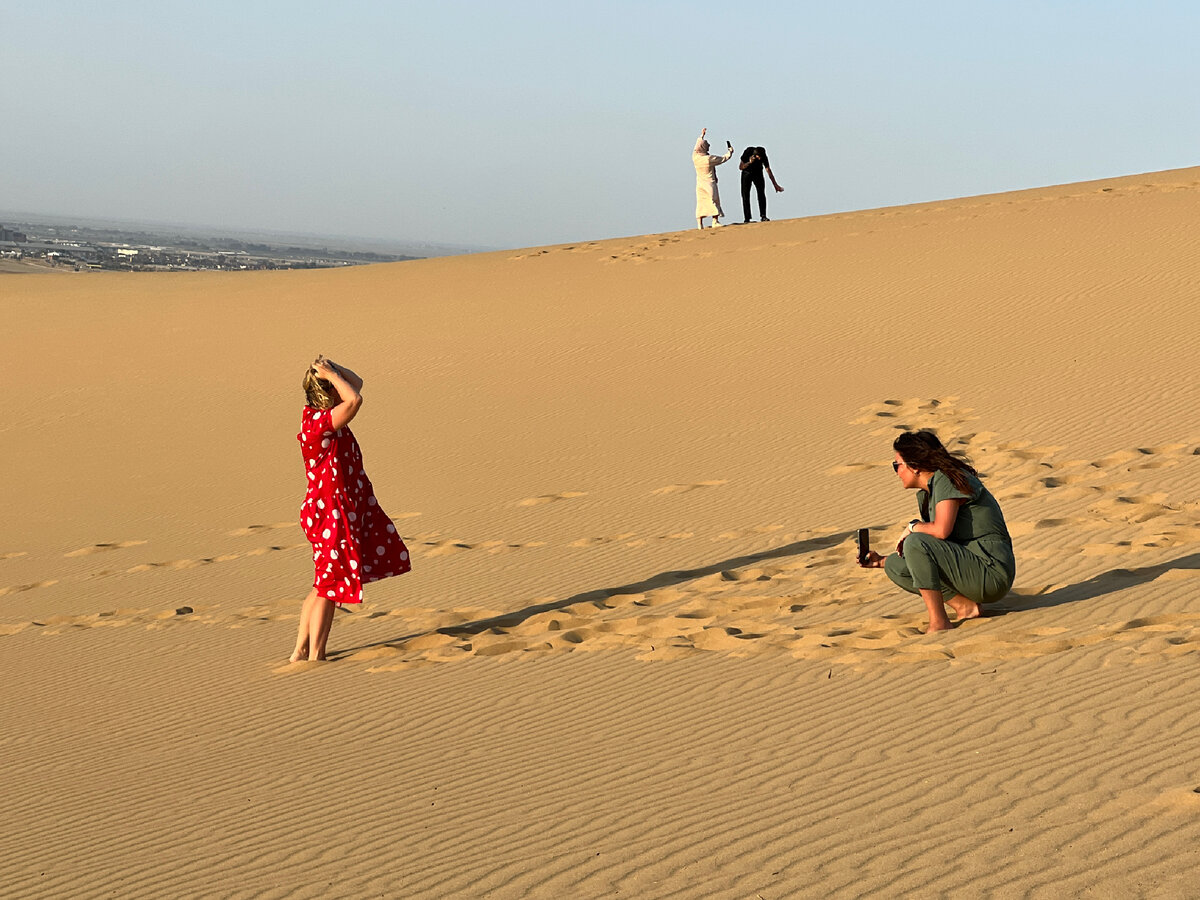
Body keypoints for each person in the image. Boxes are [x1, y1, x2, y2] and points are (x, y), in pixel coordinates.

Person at [290, 356, 411, 661]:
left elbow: (356, 385)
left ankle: (300, 651)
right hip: (329, 512)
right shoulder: (320, 424)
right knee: (328, 586)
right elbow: (355, 398)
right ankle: (316, 654)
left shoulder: (321, 416)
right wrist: (332, 374)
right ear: (328, 393)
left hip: (335, 509)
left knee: (322, 583)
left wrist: (335, 370)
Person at [857, 429, 1016, 632]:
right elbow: (937, 547)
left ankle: (939, 622)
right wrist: (880, 561)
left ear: (914, 467)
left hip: (992, 571)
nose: (896, 472)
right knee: (895, 566)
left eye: (897, 465)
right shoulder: (928, 493)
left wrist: (912, 527)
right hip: (970, 567)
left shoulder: (946, 479)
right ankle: (965, 607)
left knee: (916, 541)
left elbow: (941, 531)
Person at [693, 127, 734, 229]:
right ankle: (715, 221)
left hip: (700, 183)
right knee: (714, 200)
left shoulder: (695, 157)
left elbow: (696, 146)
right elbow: (723, 159)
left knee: (701, 202)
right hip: (710, 182)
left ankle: (700, 224)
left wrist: (702, 135)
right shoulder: (708, 159)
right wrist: (730, 152)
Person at [738, 146, 783, 223]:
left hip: (758, 173)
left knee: (761, 193)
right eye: (759, 157)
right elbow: (741, 167)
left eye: (761, 157)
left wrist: (775, 184)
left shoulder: (763, 156)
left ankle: (763, 216)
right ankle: (747, 217)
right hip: (747, 173)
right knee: (745, 195)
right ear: (755, 155)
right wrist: (749, 162)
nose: (760, 158)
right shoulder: (748, 152)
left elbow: (768, 170)